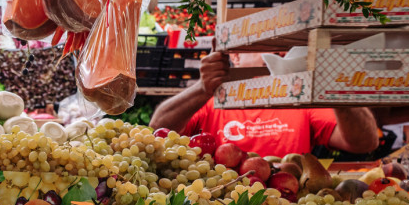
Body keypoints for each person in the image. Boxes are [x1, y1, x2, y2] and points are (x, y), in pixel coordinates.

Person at [148, 51, 380, 157]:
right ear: (236, 57)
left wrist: (335, 89)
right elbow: (158, 130)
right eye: (269, 48)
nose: (281, 56)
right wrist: (201, 89)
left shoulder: (302, 99)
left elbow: (364, 143)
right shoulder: (212, 101)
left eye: (284, 49)